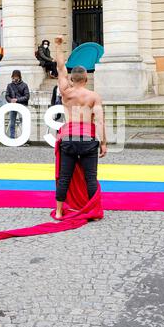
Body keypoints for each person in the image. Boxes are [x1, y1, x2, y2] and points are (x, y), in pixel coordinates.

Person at [53, 36, 107, 220]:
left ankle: (59, 212)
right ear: (86, 78)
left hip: (68, 138)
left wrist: (58, 46)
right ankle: (92, 212)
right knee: (90, 178)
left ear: (72, 78)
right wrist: (104, 143)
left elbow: (60, 68)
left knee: (64, 177)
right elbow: (99, 121)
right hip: (88, 139)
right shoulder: (93, 96)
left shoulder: (66, 92)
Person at [5, 70, 30, 139]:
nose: (15, 78)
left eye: (16, 77)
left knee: (23, 122)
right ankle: (12, 137)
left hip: (22, 106)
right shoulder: (9, 85)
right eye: (14, 77)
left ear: (19, 77)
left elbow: (27, 96)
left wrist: (17, 100)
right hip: (13, 106)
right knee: (12, 122)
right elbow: (7, 95)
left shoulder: (24, 85)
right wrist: (10, 100)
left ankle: (25, 138)